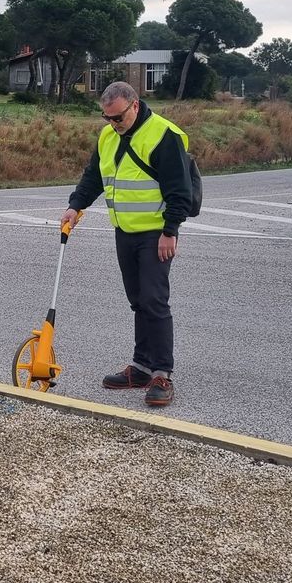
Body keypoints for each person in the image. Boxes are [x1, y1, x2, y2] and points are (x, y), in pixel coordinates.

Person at [60, 81, 192, 407]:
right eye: (107, 118)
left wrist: (170, 230)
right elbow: (94, 176)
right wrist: (76, 205)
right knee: (138, 301)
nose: (113, 125)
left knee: (154, 300)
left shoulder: (163, 134)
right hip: (124, 231)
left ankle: (162, 374)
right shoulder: (108, 136)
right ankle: (141, 367)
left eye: (118, 118)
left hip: (155, 233)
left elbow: (179, 190)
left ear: (134, 105)